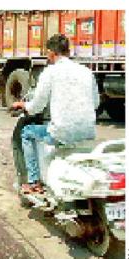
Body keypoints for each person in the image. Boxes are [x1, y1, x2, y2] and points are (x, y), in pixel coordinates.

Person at [12, 34, 100, 194]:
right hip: (88, 131)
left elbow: (37, 106)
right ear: (68, 51)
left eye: (47, 53)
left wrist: (23, 105)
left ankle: (33, 182)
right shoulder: (86, 72)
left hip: (62, 132)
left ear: (52, 53)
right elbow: (96, 103)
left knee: (26, 133)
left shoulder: (50, 72)